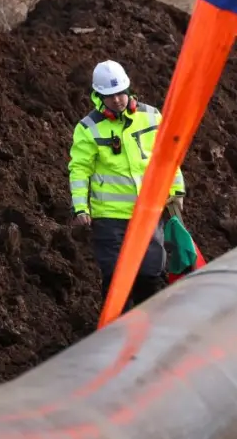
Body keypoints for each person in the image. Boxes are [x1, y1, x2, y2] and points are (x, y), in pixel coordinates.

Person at [68, 60, 185, 313]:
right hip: (109, 217)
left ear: (129, 89)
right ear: (98, 96)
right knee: (115, 277)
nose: (118, 100)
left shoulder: (151, 115)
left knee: (151, 272)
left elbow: (168, 156)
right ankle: (115, 328)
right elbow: (79, 170)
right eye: (110, 97)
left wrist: (176, 191)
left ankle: (147, 325)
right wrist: (80, 207)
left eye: (121, 93)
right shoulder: (88, 128)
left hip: (148, 211)